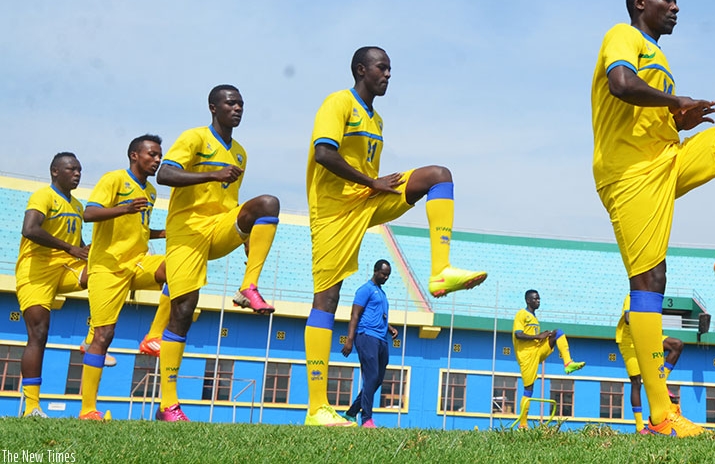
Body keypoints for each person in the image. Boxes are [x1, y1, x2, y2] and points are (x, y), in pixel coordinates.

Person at [590, 0, 715, 437]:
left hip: (668, 158)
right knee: (650, 279)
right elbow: (620, 84)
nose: (677, 8)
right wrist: (676, 100)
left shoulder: (659, 56)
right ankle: (661, 416)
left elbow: (643, 106)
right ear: (642, 3)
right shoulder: (622, 35)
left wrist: (675, 116)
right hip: (628, 174)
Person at [304, 47, 487, 426]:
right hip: (333, 212)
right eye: (382, 68)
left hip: (368, 198)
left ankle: (441, 271)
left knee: (438, 175)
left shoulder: (378, 120)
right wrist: (372, 181)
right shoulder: (337, 103)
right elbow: (324, 153)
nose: (388, 74)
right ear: (360, 70)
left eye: (390, 69)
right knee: (327, 297)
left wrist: (373, 186)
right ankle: (317, 408)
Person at [154, 84, 281, 422]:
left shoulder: (239, 152)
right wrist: (211, 172)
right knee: (183, 309)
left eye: (241, 103)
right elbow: (163, 173)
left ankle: (248, 286)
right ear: (213, 107)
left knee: (267, 204)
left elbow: (230, 204)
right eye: (230, 103)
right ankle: (168, 404)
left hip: (219, 226)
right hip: (187, 231)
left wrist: (245, 239)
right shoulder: (194, 138)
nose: (237, 108)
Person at [78, 135, 172, 420]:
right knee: (104, 335)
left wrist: (163, 233)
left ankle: (153, 336)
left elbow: (139, 230)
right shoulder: (115, 180)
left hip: (138, 262)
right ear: (134, 155)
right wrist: (125, 208)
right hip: (108, 267)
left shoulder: (152, 192)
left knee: (179, 266)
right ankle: (87, 410)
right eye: (152, 154)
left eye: (159, 155)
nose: (157, 160)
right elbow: (89, 213)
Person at [15, 152, 89, 417]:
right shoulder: (43, 196)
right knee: (39, 333)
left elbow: (78, 244)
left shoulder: (79, 206)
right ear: (55, 171)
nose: (78, 174)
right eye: (72, 169)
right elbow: (30, 230)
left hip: (66, 267)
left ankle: (91, 338)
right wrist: (71, 248)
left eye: (80, 170)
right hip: (36, 271)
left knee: (104, 272)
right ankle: (32, 407)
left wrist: (88, 251)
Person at [512, 289, 585, 429]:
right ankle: (522, 424)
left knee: (558, 333)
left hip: (537, 350)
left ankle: (568, 363)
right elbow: (518, 335)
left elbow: (533, 336)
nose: (538, 301)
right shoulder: (522, 314)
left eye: (539, 299)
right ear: (528, 300)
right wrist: (537, 336)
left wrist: (543, 335)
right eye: (535, 299)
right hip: (526, 356)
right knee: (528, 389)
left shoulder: (534, 317)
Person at [341, 259, 398, 428]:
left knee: (377, 379)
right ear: (375, 271)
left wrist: (389, 328)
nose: (386, 277)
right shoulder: (364, 290)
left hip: (381, 338)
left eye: (388, 275)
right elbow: (355, 315)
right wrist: (349, 340)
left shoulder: (381, 293)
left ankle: (351, 413)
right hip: (366, 336)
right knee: (370, 377)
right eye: (383, 274)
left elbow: (377, 315)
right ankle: (366, 419)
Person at [615, 294, 683, 432]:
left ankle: (661, 380)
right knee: (636, 382)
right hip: (630, 343)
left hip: (648, 338)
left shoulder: (652, 298)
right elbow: (628, 319)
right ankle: (640, 426)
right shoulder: (632, 297)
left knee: (677, 345)